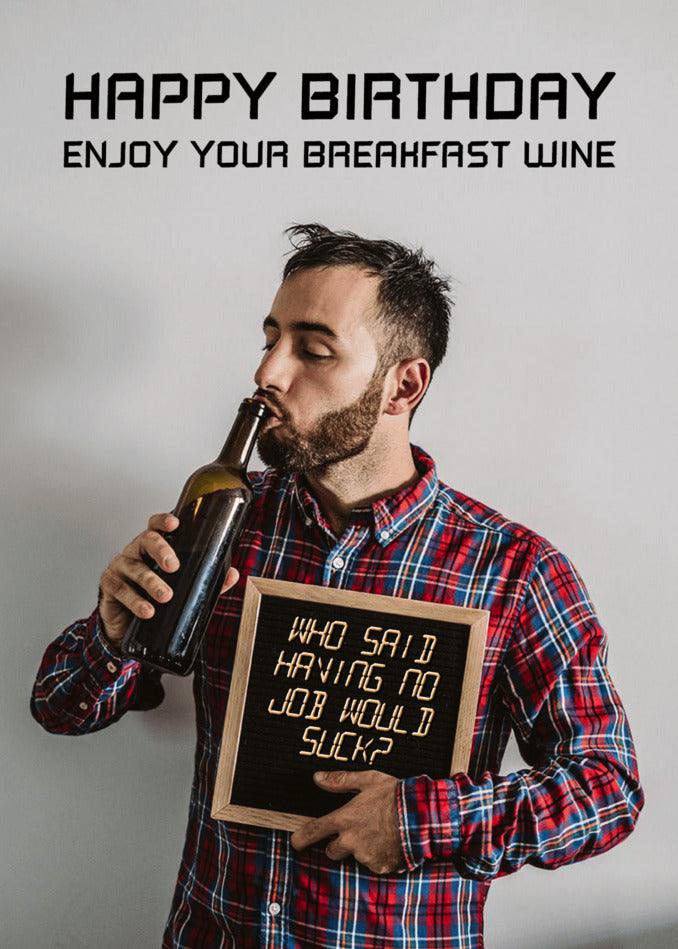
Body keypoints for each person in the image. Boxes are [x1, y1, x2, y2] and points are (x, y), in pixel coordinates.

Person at [30, 224, 644, 948]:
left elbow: (605, 789)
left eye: (313, 349)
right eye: (271, 339)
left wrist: (419, 820)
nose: (268, 373)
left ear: (403, 384)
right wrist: (111, 629)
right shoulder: (228, 519)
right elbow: (61, 707)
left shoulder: (513, 570)